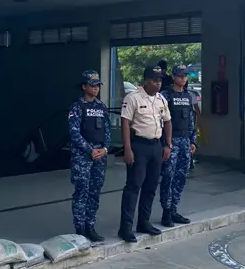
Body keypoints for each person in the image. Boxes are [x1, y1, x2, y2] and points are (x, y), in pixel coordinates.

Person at [118, 65, 172, 242]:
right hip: (139, 146)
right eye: (155, 80)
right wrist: (127, 148)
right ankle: (125, 228)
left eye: (160, 80)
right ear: (147, 81)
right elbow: (125, 123)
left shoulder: (161, 99)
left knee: (150, 186)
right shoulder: (133, 98)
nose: (158, 84)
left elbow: (168, 121)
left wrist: (168, 145)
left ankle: (144, 222)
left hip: (156, 146)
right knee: (133, 186)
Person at [68, 70, 111, 242]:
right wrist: (90, 150)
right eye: (92, 85)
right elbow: (74, 133)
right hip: (83, 156)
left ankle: (90, 226)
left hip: (100, 155)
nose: (96, 88)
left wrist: (105, 149)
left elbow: (107, 131)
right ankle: (79, 229)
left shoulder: (102, 107)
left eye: (97, 86)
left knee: (95, 191)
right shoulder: (77, 107)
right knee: (82, 191)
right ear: (84, 87)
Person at [159, 64, 197, 227]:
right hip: (171, 141)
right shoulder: (165, 95)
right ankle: (166, 211)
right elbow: (160, 120)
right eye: (180, 76)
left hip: (184, 141)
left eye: (185, 76)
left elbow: (191, 120)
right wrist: (164, 144)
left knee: (181, 176)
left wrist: (192, 140)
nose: (183, 78)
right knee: (168, 176)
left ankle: (174, 209)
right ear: (173, 76)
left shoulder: (189, 96)